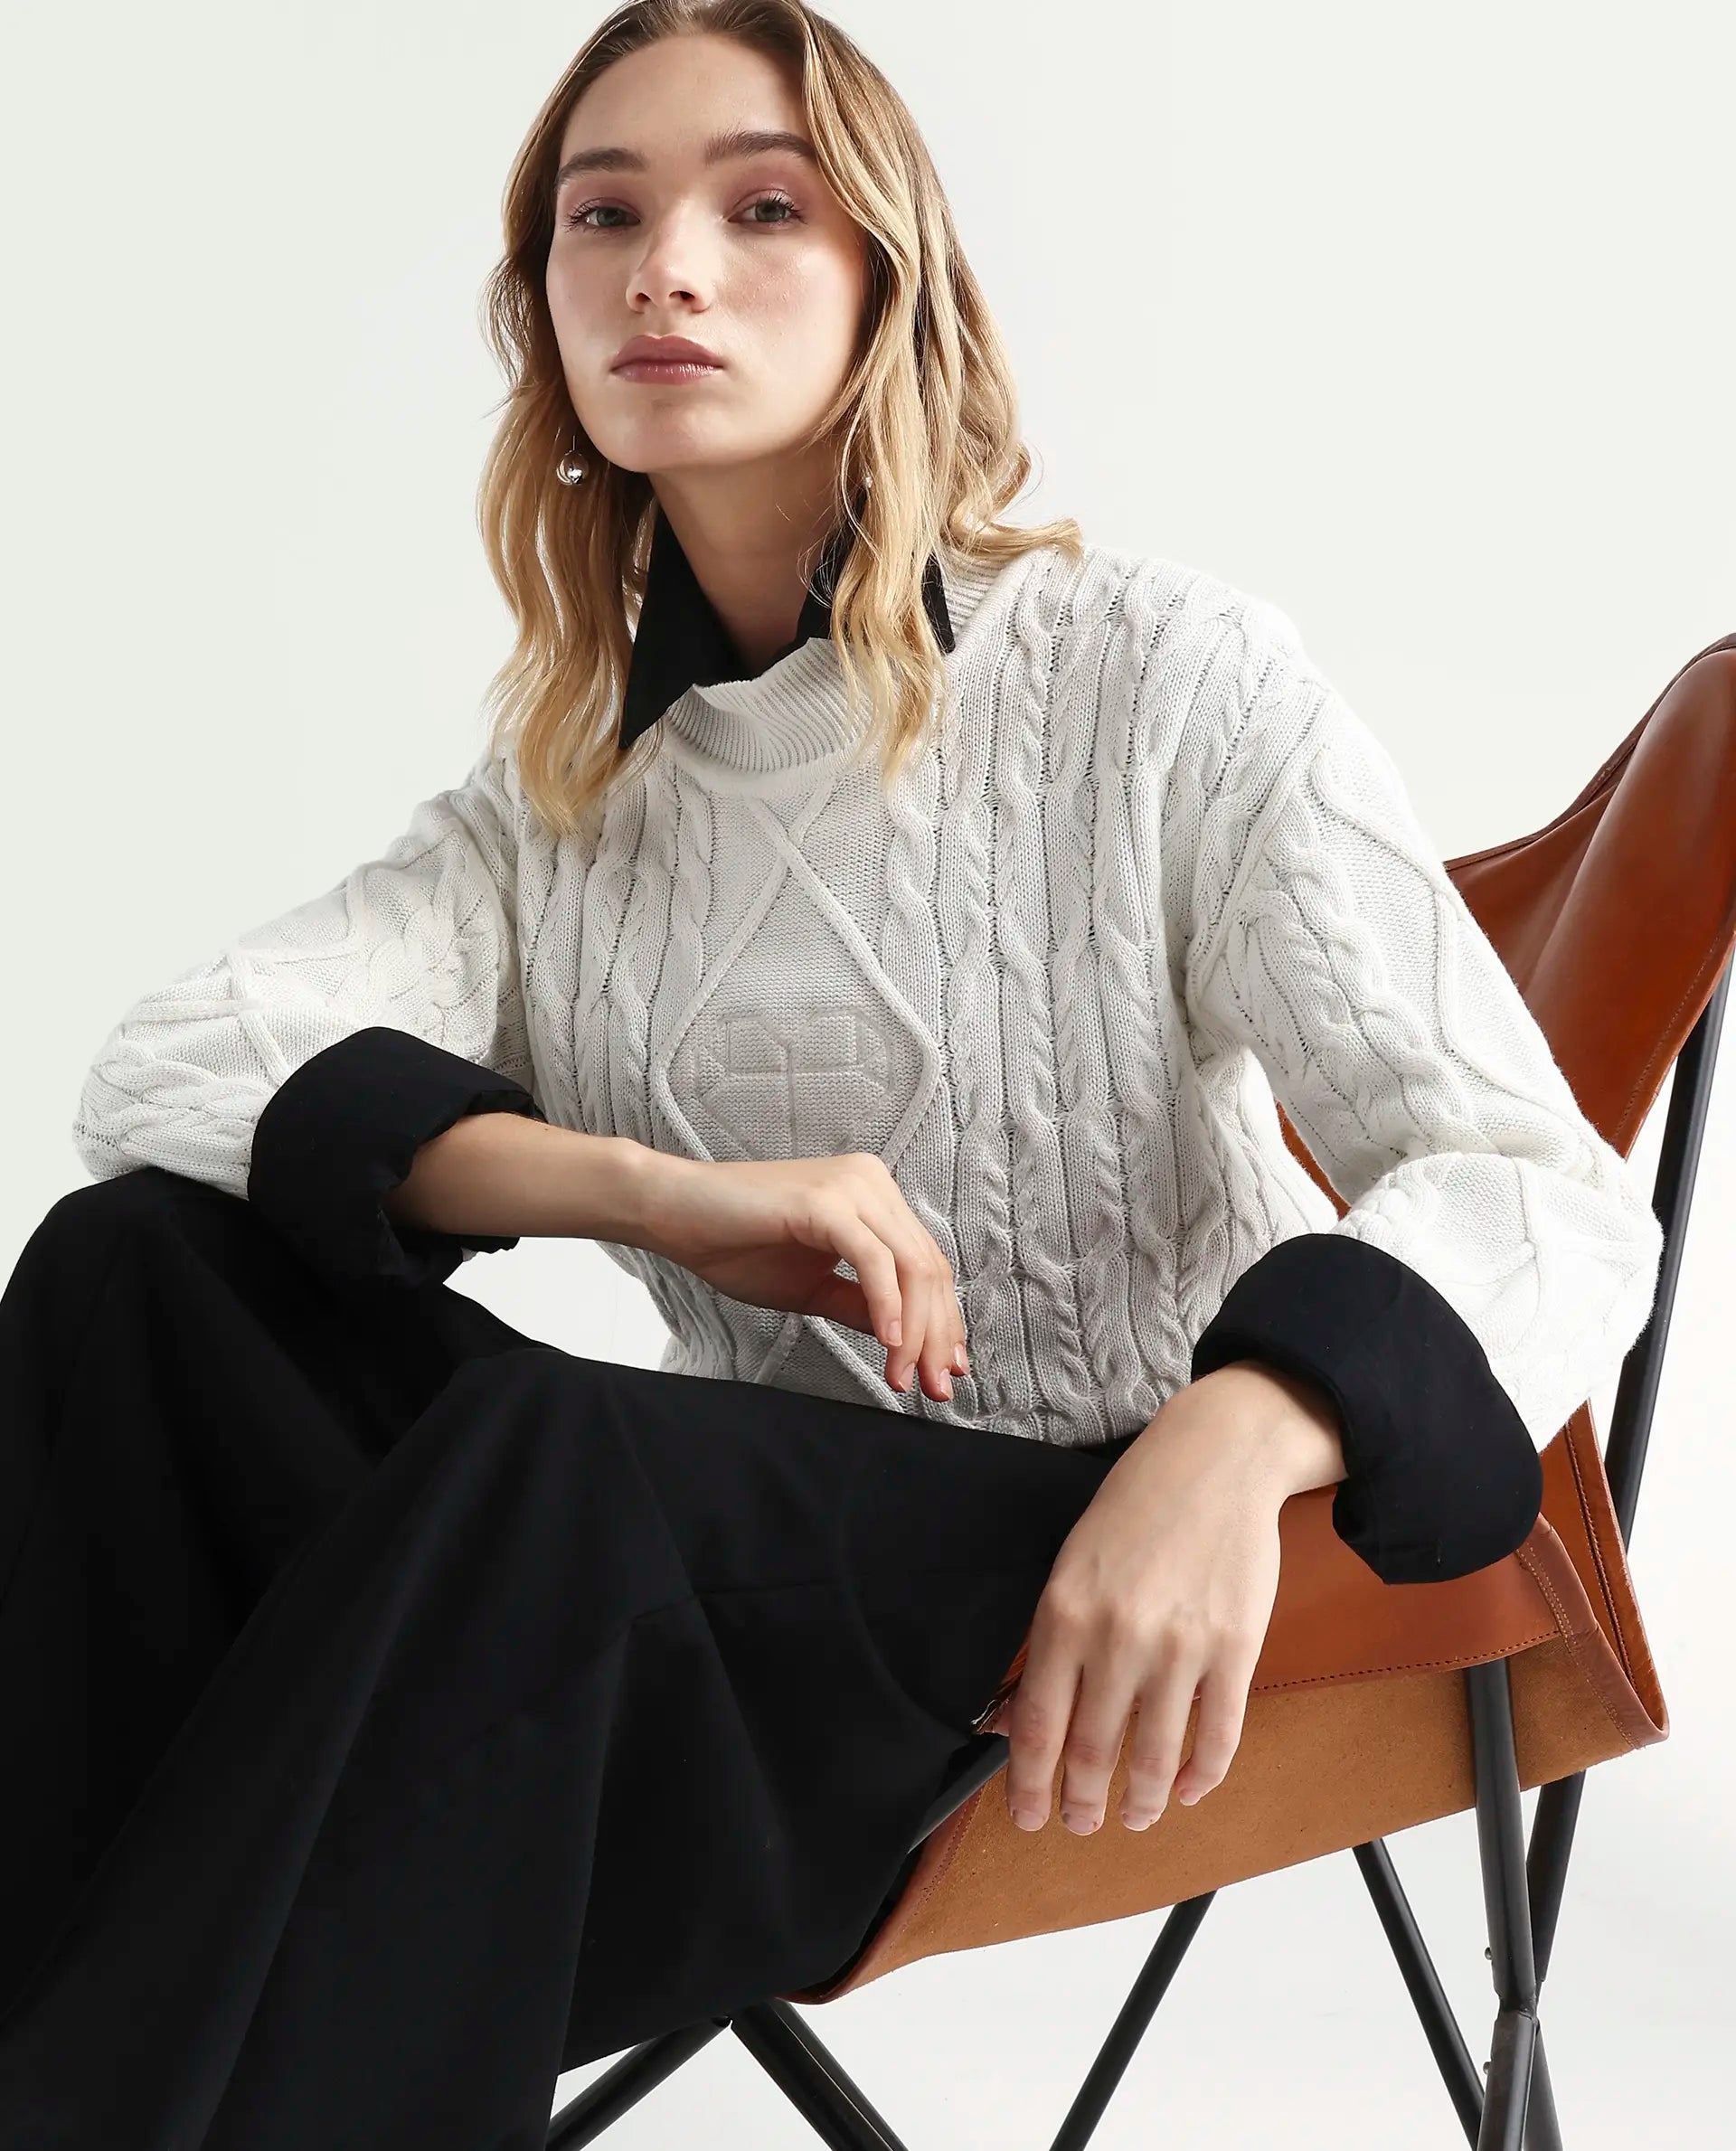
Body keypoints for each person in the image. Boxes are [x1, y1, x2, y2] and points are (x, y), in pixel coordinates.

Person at [0, 4, 1664, 2146]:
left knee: (546, 1474)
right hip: (737, 1597)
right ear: (546, 311)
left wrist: (1230, 1435)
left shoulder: (1155, 678)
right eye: (604, 217)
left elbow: (1543, 1186)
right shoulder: (564, 800)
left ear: (894, 281)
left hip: (1140, 1553)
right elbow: (170, 1065)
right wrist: (653, 1194)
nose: (666, 269)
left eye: (762, 208)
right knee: (134, 1273)